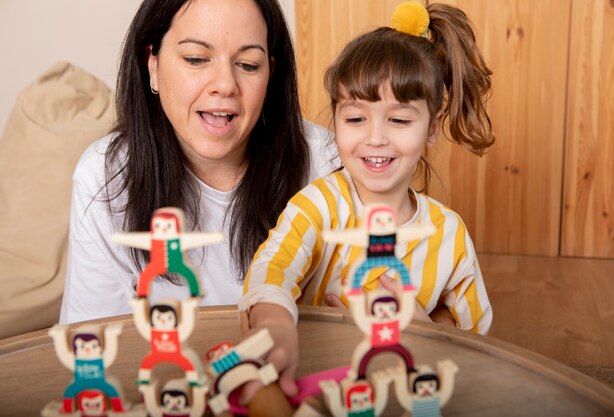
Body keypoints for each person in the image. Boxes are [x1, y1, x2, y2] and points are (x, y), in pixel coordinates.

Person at [239, 1, 494, 399]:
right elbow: (272, 273)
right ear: (336, 121)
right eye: (356, 119)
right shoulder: (317, 206)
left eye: (399, 120)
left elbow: (480, 349)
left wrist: (423, 329)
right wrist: (276, 330)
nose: (375, 138)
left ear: (433, 127)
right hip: (314, 387)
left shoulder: (449, 235)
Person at [59, 0, 337, 324]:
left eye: (248, 64)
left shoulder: (328, 163)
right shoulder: (104, 176)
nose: (225, 85)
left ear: (270, 76)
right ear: (153, 64)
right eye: (196, 59)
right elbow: (92, 342)